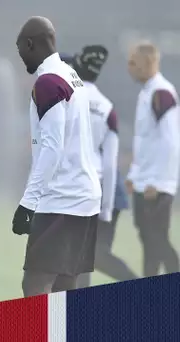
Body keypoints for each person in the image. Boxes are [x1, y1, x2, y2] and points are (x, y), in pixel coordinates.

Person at [13, 17, 102, 297]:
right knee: (64, 283)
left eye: (20, 50)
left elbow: (52, 148)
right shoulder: (71, 76)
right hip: (84, 198)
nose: (20, 57)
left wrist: (27, 203)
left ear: (30, 44)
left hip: (62, 198)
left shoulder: (48, 82)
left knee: (35, 284)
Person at [60, 48, 138, 288]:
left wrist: (104, 206)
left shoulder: (79, 103)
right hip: (93, 191)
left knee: (95, 255)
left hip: (103, 191)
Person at [126, 41, 180, 277]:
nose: (129, 67)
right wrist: (134, 175)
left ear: (148, 63)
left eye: (133, 62)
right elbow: (145, 140)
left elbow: (170, 142)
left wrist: (157, 182)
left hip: (156, 183)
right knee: (148, 238)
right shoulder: (146, 92)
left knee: (156, 238)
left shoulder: (162, 93)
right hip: (144, 180)